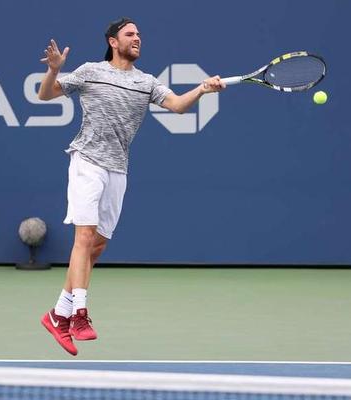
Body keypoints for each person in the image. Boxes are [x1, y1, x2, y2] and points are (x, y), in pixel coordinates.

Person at [38, 18, 225, 355]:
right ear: (113, 41)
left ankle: (57, 315)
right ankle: (79, 314)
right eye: (130, 34)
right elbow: (45, 94)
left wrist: (203, 89)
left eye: (139, 34)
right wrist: (54, 70)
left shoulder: (146, 82)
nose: (137, 38)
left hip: (118, 169)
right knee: (84, 236)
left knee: (96, 247)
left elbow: (178, 106)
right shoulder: (91, 71)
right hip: (87, 161)